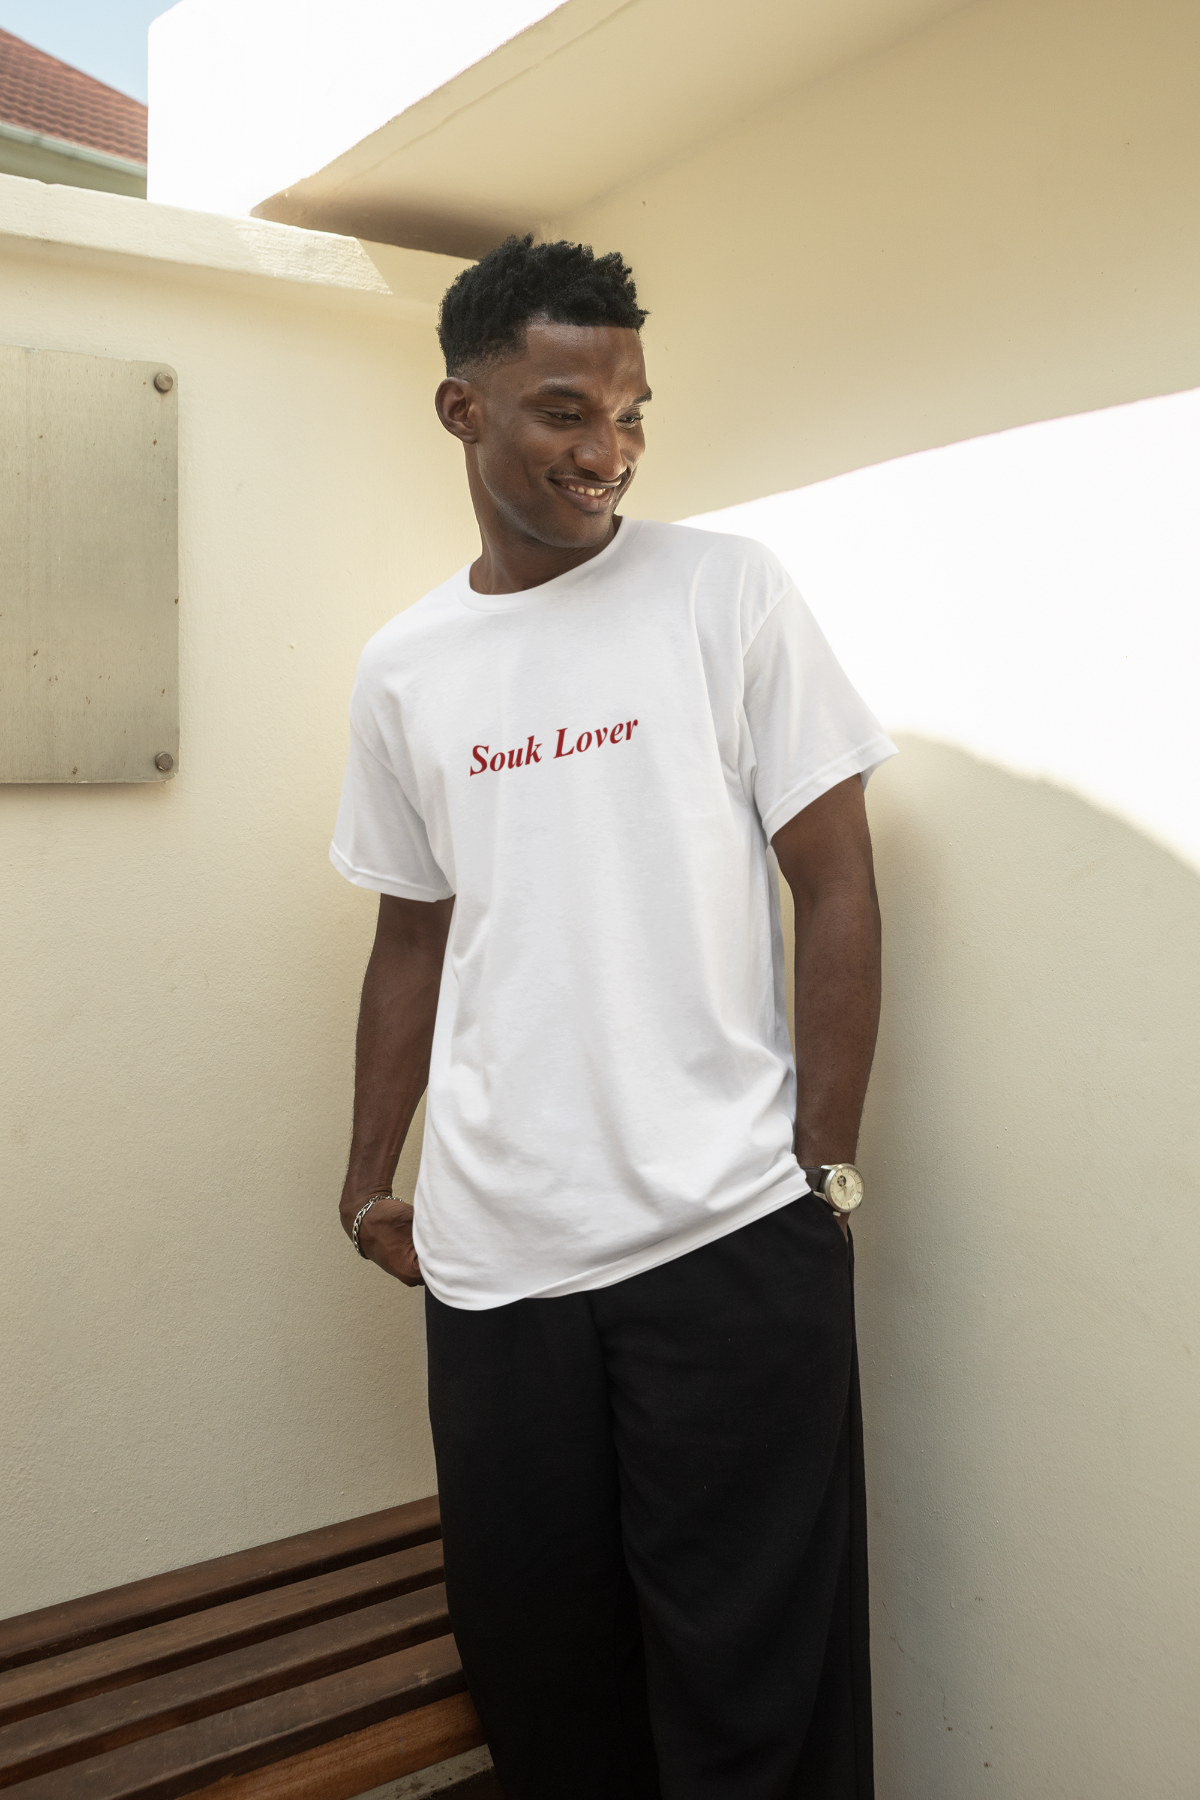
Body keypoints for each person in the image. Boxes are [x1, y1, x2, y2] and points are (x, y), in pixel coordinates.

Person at [330, 235, 895, 1800]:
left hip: (725, 1237)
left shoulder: (724, 591)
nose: (609, 454)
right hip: (497, 1264)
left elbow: (836, 885)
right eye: (566, 412)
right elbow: (409, 931)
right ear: (462, 409)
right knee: (549, 1694)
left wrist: (822, 1173)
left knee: (757, 1705)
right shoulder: (405, 669)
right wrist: (369, 1178)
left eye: (634, 414)